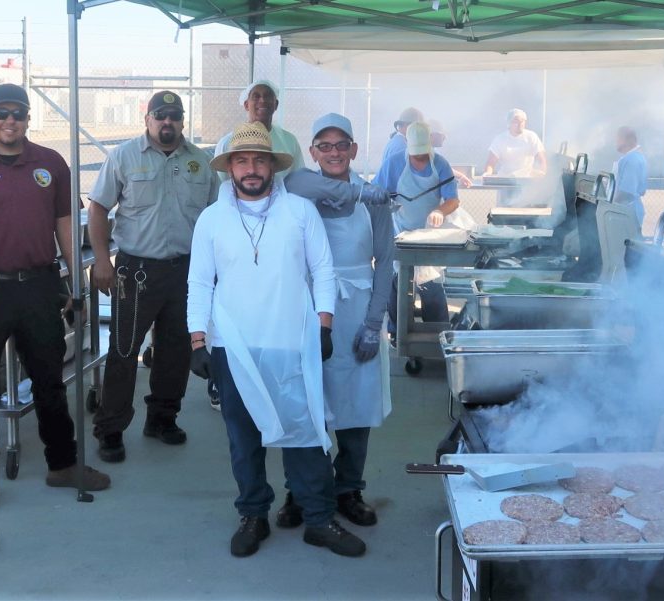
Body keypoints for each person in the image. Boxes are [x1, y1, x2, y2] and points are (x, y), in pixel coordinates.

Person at [187, 121, 366, 558]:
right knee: (243, 437)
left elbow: (323, 271)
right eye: (242, 160)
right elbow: (199, 284)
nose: (251, 169)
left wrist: (324, 325)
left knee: (304, 433)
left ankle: (319, 519)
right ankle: (253, 515)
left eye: (259, 160)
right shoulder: (211, 219)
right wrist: (197, 342)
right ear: (230, 167)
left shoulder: (299, 212)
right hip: (234, 344)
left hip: (293, 340)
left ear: (273, 165)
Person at [0, 83, 110, 511]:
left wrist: (77, 279)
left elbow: (65, 225)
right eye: (2, 113)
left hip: (38, 285)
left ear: (29, 119)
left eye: (18, 113)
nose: (10, 121)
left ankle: (62, 464)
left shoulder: (51, 164)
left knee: (50, 381)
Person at [276, 113, 393, 530]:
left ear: (354, 150)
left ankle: (348, 488)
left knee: (356, 408)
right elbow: (295, 182)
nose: (334, 153)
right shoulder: (302, 190)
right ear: (312, 153)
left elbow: (384, 266)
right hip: (309, 311)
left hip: (359, 308)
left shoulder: (375, 202)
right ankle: (302, 490)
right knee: (306, 405)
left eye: (341, 145)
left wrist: (373, 323)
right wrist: (359, 191)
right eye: (324, 146)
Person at [88, 90, 219, 462]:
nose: (167, 122)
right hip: (135, 272)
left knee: (176, 350)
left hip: (186, 272)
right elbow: (98, 209)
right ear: (147, 119)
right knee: (124, 350)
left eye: (174, 116)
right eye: (160, 116)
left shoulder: (201, 162)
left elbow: (215, 217)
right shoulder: (124, 157)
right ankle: (110, 429)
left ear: (182, 121)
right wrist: (101, 261)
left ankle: (162, 418)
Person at [374, 121, 467, 332]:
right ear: (408, 146)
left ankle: (438, 334)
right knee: (397, 284)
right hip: (400, 231)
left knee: (431, 284)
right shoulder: (394, 163)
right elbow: (376, 192)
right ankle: (399, 333)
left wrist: (439, 211)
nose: (421, 159)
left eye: (424, 155)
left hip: (429, 233)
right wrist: (385, 202)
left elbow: (453, 199)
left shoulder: (440, 164)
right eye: (416, 156)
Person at [214, 80, 304, 179]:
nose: (262, 100)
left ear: (276, 104)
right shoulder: (227, 142)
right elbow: (221, 183)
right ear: (246, 105)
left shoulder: (289, 141)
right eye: (256, 96)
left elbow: (299, 179)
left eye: (268, 96)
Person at [482, 108, 546, 177]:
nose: (520, 124)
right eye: (516, 122)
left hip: (526, 179)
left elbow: (541, 160)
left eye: (522, 121)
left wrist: (542, 174)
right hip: (505, 178)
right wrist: (487, 173)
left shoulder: (531, 137)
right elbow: (491, 163)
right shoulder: (500, 139)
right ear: (509, 123)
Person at [613, 125, 647, 230]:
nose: (616, 142)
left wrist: (610, 204)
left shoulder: (632, 160)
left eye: (618, 138)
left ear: (625, 140)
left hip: (628, 212)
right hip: (628, 210)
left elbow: (626, 191)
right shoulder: (631, 157)